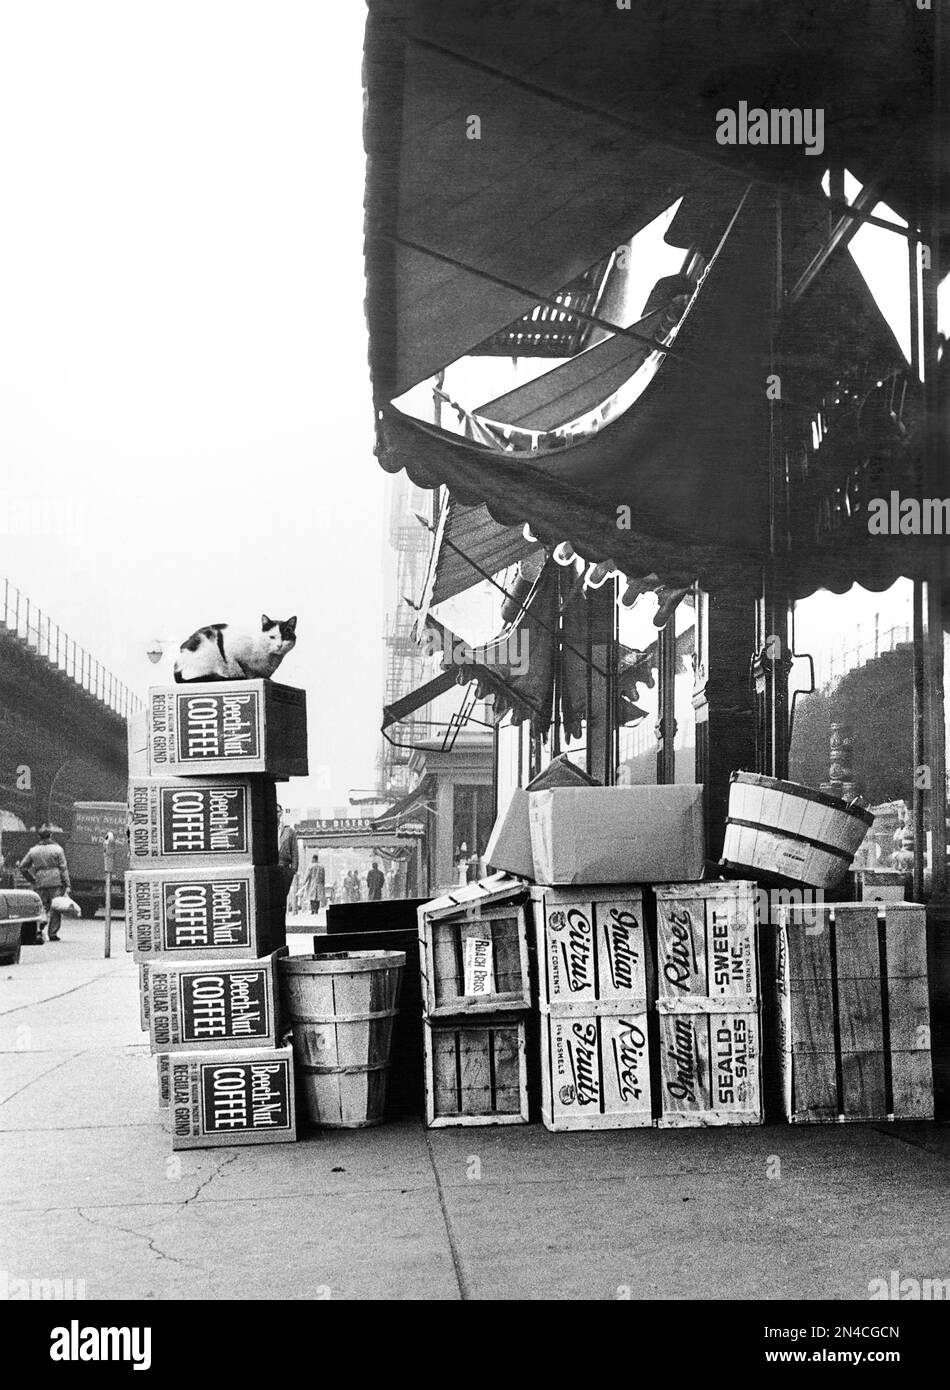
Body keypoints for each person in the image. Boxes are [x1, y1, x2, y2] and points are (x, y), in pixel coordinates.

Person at [18, 825, 71, 942]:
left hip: (40, 881)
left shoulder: (33, 851)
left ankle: (39, 927)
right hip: (56, 881)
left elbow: (22, 867)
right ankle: (53, 933)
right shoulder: (58, 849)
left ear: (39, 837)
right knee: (56, 907)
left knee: (41, 907)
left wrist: (31, 879)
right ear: (51, 835)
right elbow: (63, 868)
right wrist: (67, 884)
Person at [276, 806, 298, 912]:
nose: (275, 814)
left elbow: (294, 851)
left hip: (284, 868)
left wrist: (293, 870)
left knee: (282, 897)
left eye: (278, 812)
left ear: (281, 813)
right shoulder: (265, 831)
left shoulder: (289, 831)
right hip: (270, 868)